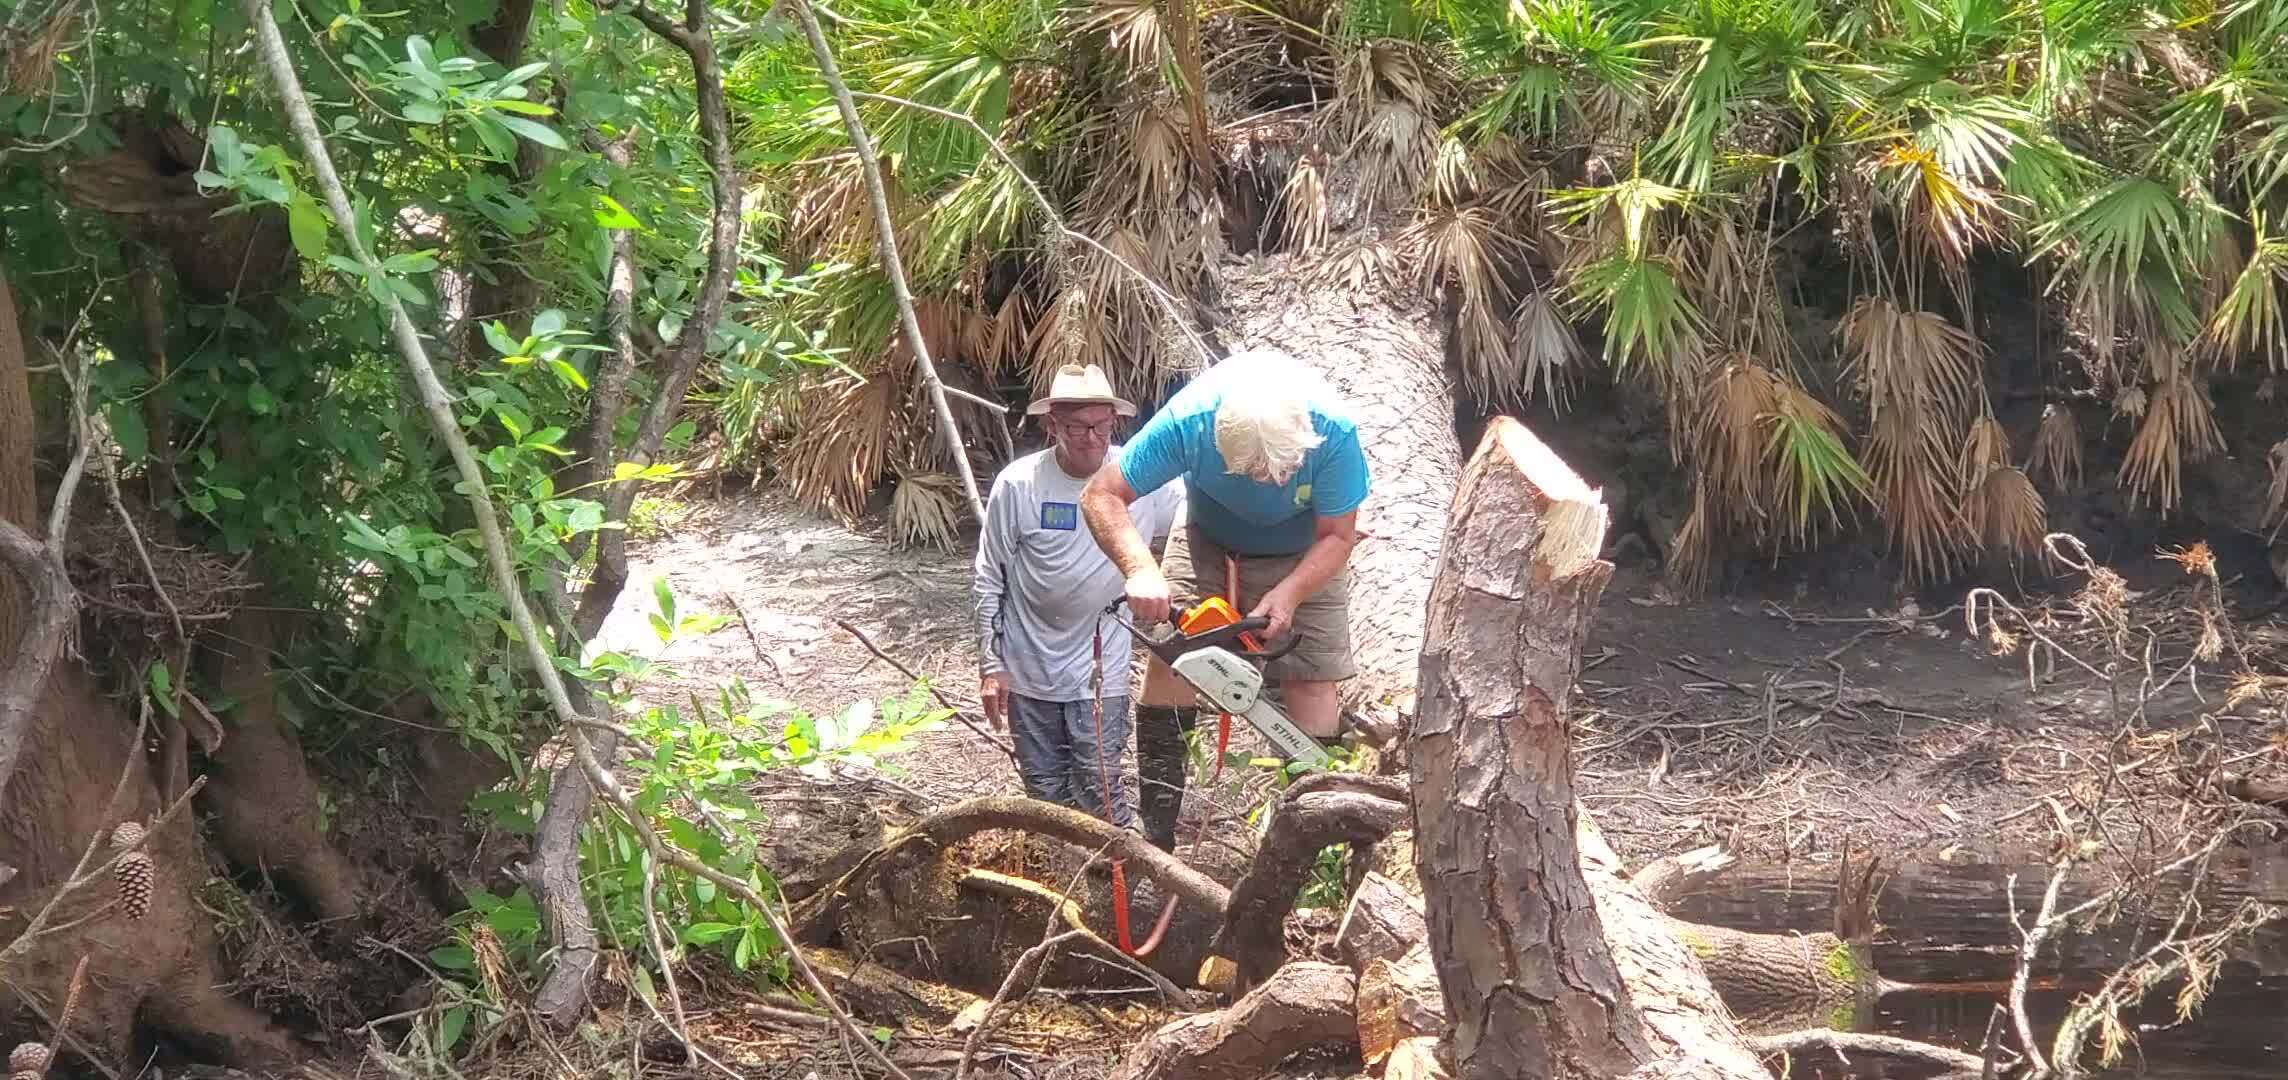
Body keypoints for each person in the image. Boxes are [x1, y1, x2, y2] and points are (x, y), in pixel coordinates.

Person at [1078, 347, 1368, 852]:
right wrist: (1140, 569)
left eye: (1281, 470)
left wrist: (1291, 592)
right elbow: (1101, 495)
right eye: (1254, 472)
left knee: (1311, 681)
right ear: (1218, 442)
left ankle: (1313, 851)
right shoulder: (1189, 423)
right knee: (1171, 662)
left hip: (1306, 550)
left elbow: (1339, 536)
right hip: (1209, 539)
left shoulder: (1335, 434)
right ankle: (1158, 839)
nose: (1271, 482)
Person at [973, 363, 1185, 830]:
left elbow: (1192, 522)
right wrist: (992, 665)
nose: (1091, 437)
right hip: (1028, 666)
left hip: (1101, 667)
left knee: (1100, 788)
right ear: (1052, 425)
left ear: (1114, 421)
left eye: (1101, 425)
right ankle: (1061, 882)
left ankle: (1119, 883)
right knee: (1044, 794)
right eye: (1076, 426)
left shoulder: (1144, 477)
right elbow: (990, 576)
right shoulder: (1019, 484)